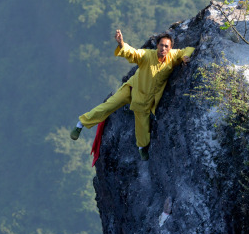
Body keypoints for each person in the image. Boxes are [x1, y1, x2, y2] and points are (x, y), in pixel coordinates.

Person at [70, 29, 195, 161]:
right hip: (131, 88)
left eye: (166, 46)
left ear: (170, 48)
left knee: (142, 125)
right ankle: (81, 124)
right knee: (109, 105)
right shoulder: (147, 55)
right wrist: (122, 44)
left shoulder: (172, 57)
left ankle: (141, 148)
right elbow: (134, 53)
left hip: (145, 99)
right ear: (157, 45)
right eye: (161, 45)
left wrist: (184, 57)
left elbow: (187, 49)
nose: (163, 48)